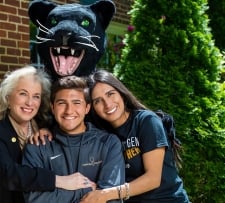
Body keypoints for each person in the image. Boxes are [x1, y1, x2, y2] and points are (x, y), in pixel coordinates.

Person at [0, 66, 91, 203]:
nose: (30, 102)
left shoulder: (46, 126)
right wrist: (59, 180)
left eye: (36, 96)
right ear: (8, 97)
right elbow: (10, 175)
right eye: (23, 93)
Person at [80, 69, 189, 203]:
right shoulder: (102, 136)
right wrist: (46, 130)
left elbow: (153, 179)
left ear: (121, 94)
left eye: (110, 94)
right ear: (92, 108)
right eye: (98, 101)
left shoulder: (146, 121)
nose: (107, 104)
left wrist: (105, 194)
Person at [22, 75, 125, 203]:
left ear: (87, 108)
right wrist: (86, 191)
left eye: (76, 103)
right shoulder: (37, 146)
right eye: (61, 103)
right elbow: (34, 199)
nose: (69, 110)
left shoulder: (108, 143)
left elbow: (111, 197)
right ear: (53, 108)